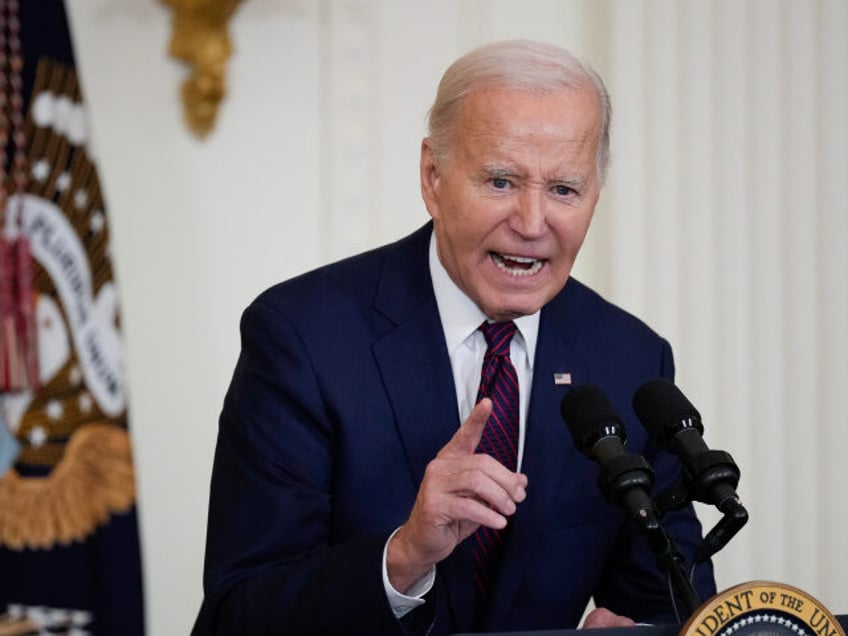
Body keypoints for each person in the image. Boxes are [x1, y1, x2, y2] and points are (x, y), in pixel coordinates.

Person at [191, 39, 716, 635]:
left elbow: (674, 605)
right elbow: (238, 613)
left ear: (595, 194)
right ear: (432, 176)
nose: (531, 223)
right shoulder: (302, 339)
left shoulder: (628, 360)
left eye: (564, 189)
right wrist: (404, 556)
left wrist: (643, 635)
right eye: (499, 181)